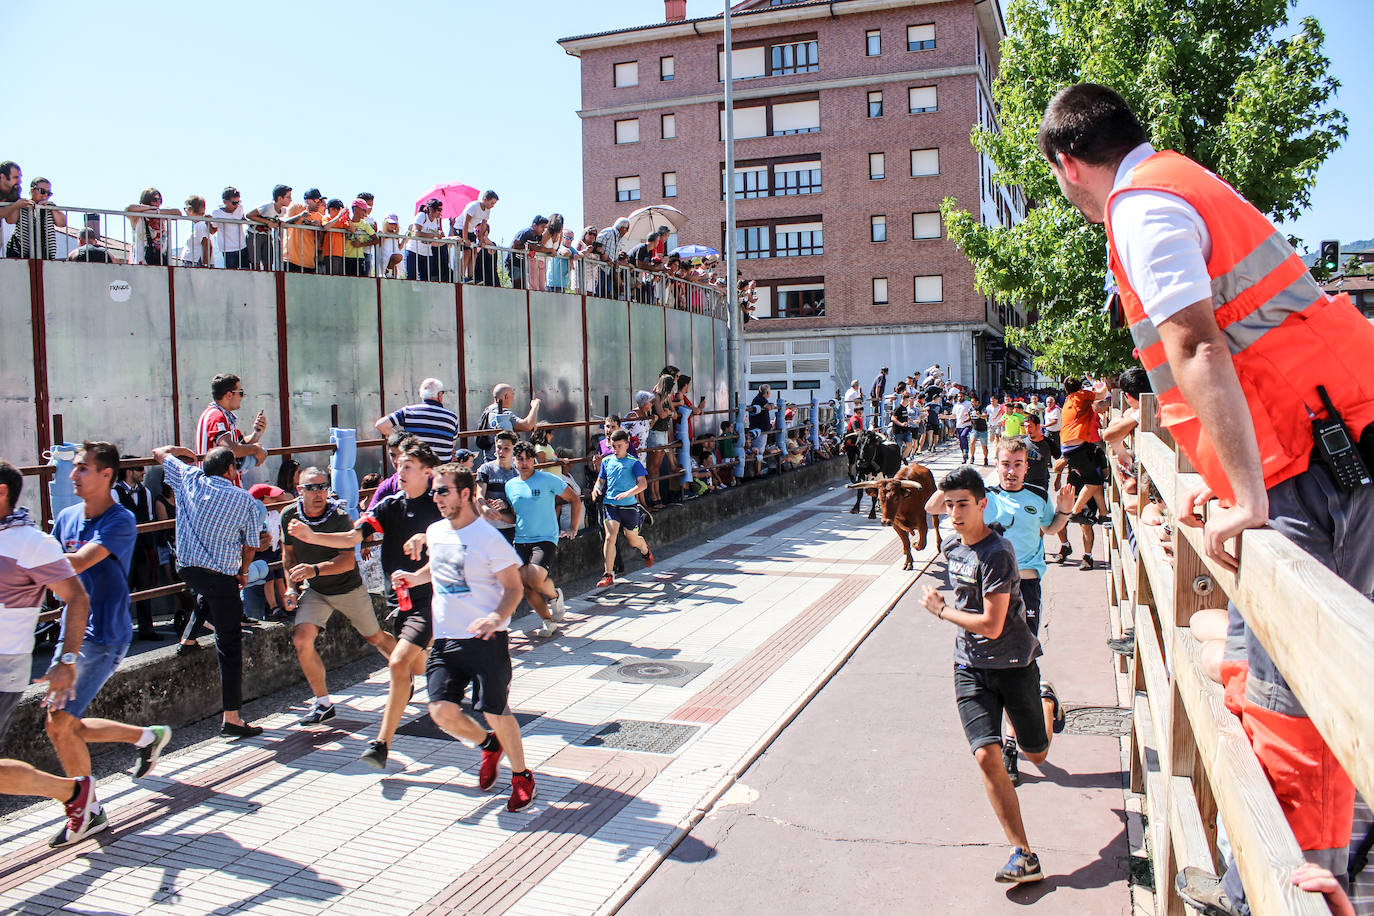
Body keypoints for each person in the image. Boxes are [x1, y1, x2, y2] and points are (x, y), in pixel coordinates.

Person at [1042, 82, 1374, 910]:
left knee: (1289, 694)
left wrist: (1246, 499)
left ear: (1067, 164)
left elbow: (1195, 344)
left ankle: (1282, 888)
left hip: (1314, 459)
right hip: (1326, 440)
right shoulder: (1180, 183)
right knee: (1259, 673)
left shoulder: (1141, 207)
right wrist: (1224, 487)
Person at [920, 466, 1063, 884]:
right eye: (950, 506)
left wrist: (941, 610)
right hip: (969, 666)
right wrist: (946, 487)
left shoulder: (998, 553)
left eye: (964, 504)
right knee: (987, 755)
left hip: (1015, 665)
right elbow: (934, 503)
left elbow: (993, 624)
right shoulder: (952, 545)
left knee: (1036, 755)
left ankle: (1047, 702)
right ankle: (1023, 854)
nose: (955, 513)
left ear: (983, 504)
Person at [390, 465, 538, 813]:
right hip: (445, 640)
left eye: (444, 491)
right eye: (435, 491)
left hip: (486, 640)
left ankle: (522, 776)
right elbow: (439, 566)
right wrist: (413, 578)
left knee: (497, 712)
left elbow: (514, 588)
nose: (436, 498)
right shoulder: (436, 531)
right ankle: (489, 746)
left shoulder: (489, 539)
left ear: (467, 493)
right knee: (441, 712)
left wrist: (495, 617)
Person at [287, 441, 440, 768]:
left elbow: (463, 535)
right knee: (415, 665)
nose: (399, 472)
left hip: (435, 598)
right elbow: (352, 538)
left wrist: (429, 538)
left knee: (398, 663)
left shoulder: (441, 504)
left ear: (427, 473)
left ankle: (381, 743)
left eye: (407, 466)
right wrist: (312, 537)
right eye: (398, 465)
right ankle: (451, 668)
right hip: (400, 603)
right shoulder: (387, 506)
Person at [47, 443, 172, 844]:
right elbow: (51, 573)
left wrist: (21, 563)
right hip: (71, 633)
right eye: (74, 468)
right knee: (65, 724)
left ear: (106, 475)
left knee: (60, 723)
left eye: (82, 468)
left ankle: (87, 810)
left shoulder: (120, 520)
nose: (73, 475)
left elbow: (77, 562)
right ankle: (146, 737)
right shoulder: (65, 517)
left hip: (105, 637)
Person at [0, 459, 107, 847]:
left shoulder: (31, 542)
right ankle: (74, 794)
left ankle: (74, 794)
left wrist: (66, 659)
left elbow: (76, 597)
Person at [151, 445, 265, 738]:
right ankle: (232, 718)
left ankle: (188, 638)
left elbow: (159, 452)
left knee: (208, 592)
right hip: (223, 575)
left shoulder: (189, 477)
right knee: (229, 645)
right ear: (230, 470)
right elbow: (250, 545)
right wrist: (242, 572)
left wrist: (182, 451)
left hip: (188, 569)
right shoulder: (244, 500)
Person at [280, 467, 397, 725]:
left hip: (347, 588)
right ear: (299, 491)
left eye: (323, 486)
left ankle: (403, 667)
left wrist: (314, 570)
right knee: (301, 640)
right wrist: (290, 586)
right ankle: (323, 703)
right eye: (311, 488)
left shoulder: (340, 517)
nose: (319, 493)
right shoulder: (288, 515)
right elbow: (288, 556)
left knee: (375, 637)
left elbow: (346, 561)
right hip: (317, 591)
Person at [505, 442, 580, 638]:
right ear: (514, 461)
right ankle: (548, 620)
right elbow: (516, 516)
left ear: (534, 460)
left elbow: (575, 499)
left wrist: (572, 527)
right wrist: (498, 516)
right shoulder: (510, 485)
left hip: (545, 538)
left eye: (528, 458)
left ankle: (555, 596)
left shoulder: (548, 479)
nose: (524, 463)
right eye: (519, 459)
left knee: (534, 577)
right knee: (528, 587)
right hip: (520, 540)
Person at [1054, 377, 1110, 569]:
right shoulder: (1082, 396)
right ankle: (1076, 512)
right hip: (1076, 448)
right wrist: (1104, 386)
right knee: (1095, 482)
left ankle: (1103, 513)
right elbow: (1102, 395)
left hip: (1069, 448)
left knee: (1095, 481)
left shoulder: (1069, 401)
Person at [592, 430, 654, 588]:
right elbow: (600, 480)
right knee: (610, 537)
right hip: (611, 504)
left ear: (627, 444)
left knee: (633, 540)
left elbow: (643, 484)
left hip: (629, 506)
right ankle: (608, 574)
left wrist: (629, 492)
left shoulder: (634, 462)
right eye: (613, 446)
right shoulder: (607, 462)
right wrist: (596, 489)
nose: (616, 449)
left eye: (619, 446)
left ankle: (645, 550)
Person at [195, 373, 268, 488]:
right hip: (218, 489)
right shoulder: (216, 416)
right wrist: (255, 450)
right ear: (229, 395)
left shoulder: (223, 415)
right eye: (241, 392)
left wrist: (256, 433)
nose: (242, 397)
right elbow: (230, 448)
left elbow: (241, 445)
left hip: (223, 487)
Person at [113, 460, 160, 639]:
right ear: (128, 471)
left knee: (144, 588)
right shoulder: (114, 493)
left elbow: (148, 517)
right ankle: (120, 630)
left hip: (142, 546)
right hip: (124, 549)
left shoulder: (145, 491)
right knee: (122, 589)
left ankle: (146, 628)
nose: (144, 472)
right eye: (140, 468)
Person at [375, 378, 458, 462]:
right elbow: (452, 444)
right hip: (442, 471)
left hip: (416, 469)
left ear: (420, 394)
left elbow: (381, 425)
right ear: (440, 395)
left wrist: (403, 441)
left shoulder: (408, 411)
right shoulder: (452, 417)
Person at [473, 384, 541, 463]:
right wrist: (535, 407)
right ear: (506, 397)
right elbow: (527, 425)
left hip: (489, 458)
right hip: (503, 461)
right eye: (512, 395)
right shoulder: (504, 413)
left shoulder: (488, 411)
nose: (513, 399)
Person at [5, 176, 65, 260]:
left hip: (45, 255)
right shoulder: (22, 204)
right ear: (32, 190)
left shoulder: (50, 207)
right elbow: (10, 220)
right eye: (42, 191)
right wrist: (17, 205)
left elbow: (62, 223)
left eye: (49, 193)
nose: (45, 196)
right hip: (19, 253)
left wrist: (52, 209)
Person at [476, 432, 520, 544]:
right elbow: (479, 496)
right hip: (487, 527)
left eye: (506, 448)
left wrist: (505, 504)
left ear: (513, 450)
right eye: (499, 447)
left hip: (509, 528)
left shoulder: (517, 475)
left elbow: (517, 509)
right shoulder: (486, 469)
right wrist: (486, 509)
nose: (501, 452)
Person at [126, 189, 180, 266]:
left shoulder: (162, 214)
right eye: (155, 200)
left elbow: (177, 212)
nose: (158, 202)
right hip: (142, 260)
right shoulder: (138, 216)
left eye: (160, 200)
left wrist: (156, 212)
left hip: (161, 259)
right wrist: (149, 208)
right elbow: (129, 209)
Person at [282, 188, 327, 274]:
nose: (318, 203)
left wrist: (320, 227)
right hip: (291, 260)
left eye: (320, 201)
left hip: (309, 263)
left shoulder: (319, 217)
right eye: (316, 200)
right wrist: (300, 216)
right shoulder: (296, 207)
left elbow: (325, 232)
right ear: (307, 200)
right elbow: (283, 223)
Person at [460, 190, 498, 281]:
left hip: (470, 230)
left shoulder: (487, 211)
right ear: (485, 199)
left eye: (494, 204)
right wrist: (465, 239)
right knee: (467, 252)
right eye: (492, 203)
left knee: (474, 252)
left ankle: (470, 276)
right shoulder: (474, 207)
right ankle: (461, 275)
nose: (492, 206)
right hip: (461, 228)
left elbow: (483, 225)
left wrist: (481, 240)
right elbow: (465, 222)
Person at [405, 198, 445, 282]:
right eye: (439, 209)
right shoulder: (422, 216)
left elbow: (435, 235)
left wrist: (439, 235)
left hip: (427, 252)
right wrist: (433, 235)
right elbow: (416, 232)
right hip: (414, 250)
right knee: (411, 277)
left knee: (426, 279)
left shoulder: (436, 220)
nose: (440, 212)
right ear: (431, 209)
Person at [211, 187, 250, 269]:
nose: (237, 205)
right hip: (228, 250)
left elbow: (243, 218)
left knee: (246, 274)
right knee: (233, 276)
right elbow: (213, 230)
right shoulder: (217, 213)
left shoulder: (240, 208)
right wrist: (207, 222)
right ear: (225, 202)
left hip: (242, 247)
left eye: (238, 202)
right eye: (234, 203)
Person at [181, 195, 215, 267]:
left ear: (190, 209)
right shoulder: (199, 224)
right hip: (193, 262)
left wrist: (205, 266)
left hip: (195, 263)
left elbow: (207, 245)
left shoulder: (200, 225)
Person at [378, 213, 405, 278]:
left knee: (398, 258)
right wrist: (385, 236)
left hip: (394, 259)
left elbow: (398, 248)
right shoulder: (382, 233)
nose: (392, 225)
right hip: (385, 256)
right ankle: (388, 271)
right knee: (397, 257)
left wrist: (404, 241)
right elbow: (379, 245)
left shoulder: (396, 236)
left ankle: (390, 271)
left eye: (394, 224)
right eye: (390, 223)